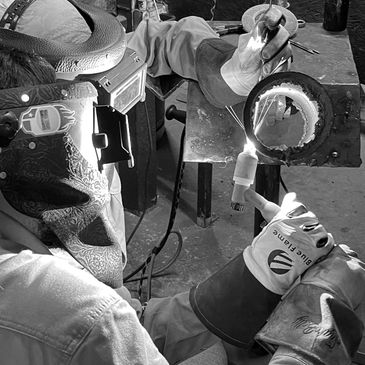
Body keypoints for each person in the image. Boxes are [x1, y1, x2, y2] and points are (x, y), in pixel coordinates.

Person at [0, 1, 364, 364]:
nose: (103, 134)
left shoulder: (38, 170)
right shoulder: (54, 310)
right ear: (23, 128)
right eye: (85, 114)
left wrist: (260, 273)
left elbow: (129, 328)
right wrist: (311, 337)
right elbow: (101, 326)